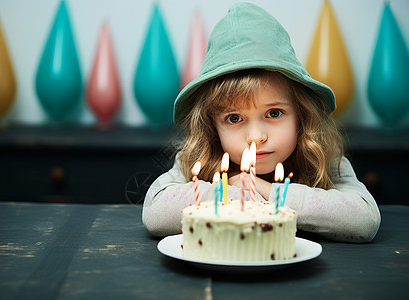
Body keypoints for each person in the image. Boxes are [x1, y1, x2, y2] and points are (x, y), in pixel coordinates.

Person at [142, 2, 380, 242]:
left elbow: (364, 220)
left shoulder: (320, 153)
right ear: (211, 126)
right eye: (234, 118)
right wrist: (234, 192)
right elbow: (156, 213)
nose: (256, 136)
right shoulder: (198, 156)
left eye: (274, 113)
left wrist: (264, 190)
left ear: (302, 115)